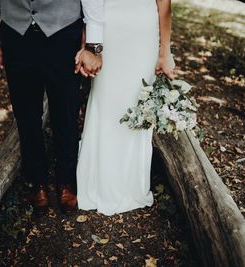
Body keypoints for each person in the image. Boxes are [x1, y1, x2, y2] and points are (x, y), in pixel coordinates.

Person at [0, 0, 103, 215]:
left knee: (66, 111)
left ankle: (66, 180)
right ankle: (38, 181)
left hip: (63, 33)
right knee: (26, 115)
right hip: (16, 35)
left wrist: (93, 44)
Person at [76, 0, 176, 215]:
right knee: (106, 100)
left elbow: (164, 5)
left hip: (143, 33)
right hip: (107, 31)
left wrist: (165, 52)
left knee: (136, 99)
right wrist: (89, 43)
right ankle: (98, 180)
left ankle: (130, 183)